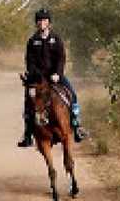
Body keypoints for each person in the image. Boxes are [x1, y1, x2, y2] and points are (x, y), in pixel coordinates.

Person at [17, 8, 87, 147]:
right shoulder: (32, 41)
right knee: (29, 100)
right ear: (36, 23)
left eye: (44, 20)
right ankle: (28, 133)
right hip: (38, 78)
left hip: (55, 77)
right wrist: (36, 75)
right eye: (39, 21)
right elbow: (29, 61)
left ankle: (77, 126)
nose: (42, 23)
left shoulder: (56, 39)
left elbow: (61, 58)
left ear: (49, 23)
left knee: (73, 94)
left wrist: (57, 74)